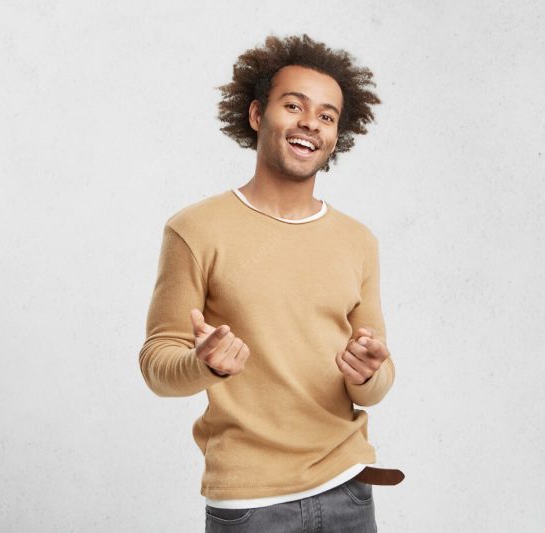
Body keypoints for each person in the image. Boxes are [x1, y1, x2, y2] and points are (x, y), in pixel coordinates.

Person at [139, 34, 402, 532]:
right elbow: (156, 364)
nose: (310, 123)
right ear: (258, 115)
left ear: (336, 135)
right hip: (251, 504)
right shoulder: (195, 230)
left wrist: (367, 373)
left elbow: (377, 382)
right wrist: (203, 365)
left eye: (327, 115)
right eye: (294, 105)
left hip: (349, 489)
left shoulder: (357, 240)